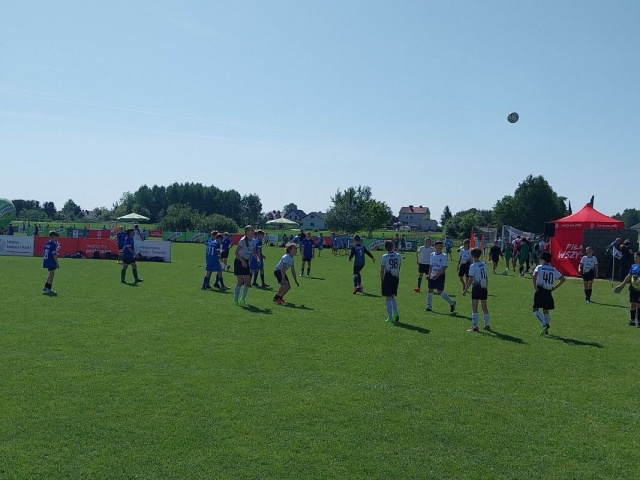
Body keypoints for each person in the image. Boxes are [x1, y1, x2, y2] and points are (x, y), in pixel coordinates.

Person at [532, 251, 565, 335]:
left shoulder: (539, 267)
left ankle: (544, 324)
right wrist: (554, 287)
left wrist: (535, 286)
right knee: (545, 309)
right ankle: (545, 330)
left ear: (542, 260)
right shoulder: (553, 269)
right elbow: (562, 279)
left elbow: (534, 275)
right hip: (548, 291)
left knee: (535, 309)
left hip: (540, 289)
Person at [462, 247, 490, 332]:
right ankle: (487, 324)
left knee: (474, 307)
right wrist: (486, 286)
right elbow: (486, 276)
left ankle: (474, 326)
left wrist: (465, 289)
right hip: (483, 287)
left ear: (472, 256)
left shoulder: (473, 266)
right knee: (484, 306)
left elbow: (470, 279)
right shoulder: (483, 264)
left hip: (476, 287)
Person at [425, 240, 456, 313]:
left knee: (440, 292)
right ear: (435, 246)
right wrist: (429, 274)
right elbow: (431, 265)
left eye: (441, 245)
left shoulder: (444, 256)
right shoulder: (432, 254)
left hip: (440, 275)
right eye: (438, 245)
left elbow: (444, 267)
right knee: (430, 290)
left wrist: (437, 275)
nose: (440, 247)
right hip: (432, 275)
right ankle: (429, 307)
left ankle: (452, 303)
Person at [233, 226, 257, 306]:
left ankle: (242, 299)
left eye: (252, 230)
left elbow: (253, 252)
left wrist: (257, 259)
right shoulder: (242, 240)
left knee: (247, 281)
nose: (252, 232)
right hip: (239, 261)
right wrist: (242, 260)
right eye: (250, 230)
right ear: (246, 232)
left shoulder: (253, 241)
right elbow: (236, 253)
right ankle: (235, 300)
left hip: (246, 261)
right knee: (240, 281)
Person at [615, 251, 640, 327]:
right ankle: (632, 320)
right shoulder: (633, 266)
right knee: (632, 304)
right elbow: (629, 276)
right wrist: (622, 285)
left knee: (639, 305)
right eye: (634, 257)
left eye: (636, 258)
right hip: (633, 288)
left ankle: (639, 321)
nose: (634, 259)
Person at [380, 240, 401, 323]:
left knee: (388, 297)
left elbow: (382, 270)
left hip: (388, 277)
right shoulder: (398, 255)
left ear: (385, 247)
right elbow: (399, 267)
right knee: (392, 296)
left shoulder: (384, 257)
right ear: (393, 246)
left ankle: (390, 317)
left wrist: (382, 281)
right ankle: (396, 313)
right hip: (396, 277)